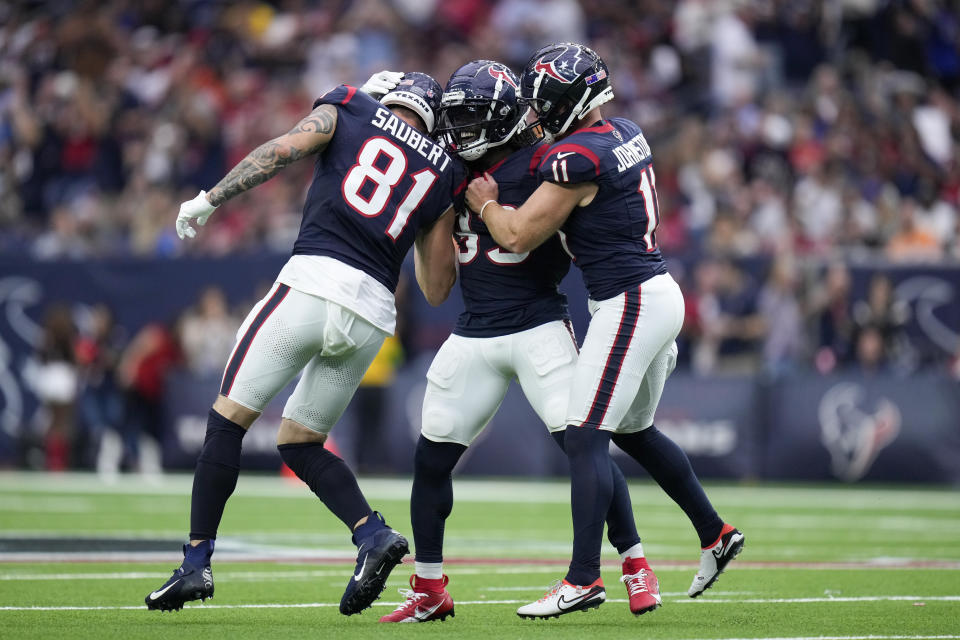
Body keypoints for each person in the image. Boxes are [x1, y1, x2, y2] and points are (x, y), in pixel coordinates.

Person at [144, 71, 461, 615]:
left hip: (313, 283)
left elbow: (283, 149)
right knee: (300, 441)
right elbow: (435, 290)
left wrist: (210, 198)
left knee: (226, 423)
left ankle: (196, 563)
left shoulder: (352, 105)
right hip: (371, 313)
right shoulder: (444, 171)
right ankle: (372, 535)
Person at [466, 43, 744, 619]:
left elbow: (517, 235)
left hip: (630, 301)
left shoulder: (575, 161)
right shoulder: (623, 131)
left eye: (546, 104)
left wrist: (488, 204)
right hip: (655, 293)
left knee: (585, 436)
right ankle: (715, 533)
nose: (539, 115)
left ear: (569, 102)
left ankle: (582, 578)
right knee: (635, 431)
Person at [379, 60, 661, 623]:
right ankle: (429, 590)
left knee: (585, 447)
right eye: (454, 120)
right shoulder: (450, 174)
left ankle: (634, 564)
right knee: (430, 459)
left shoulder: (547, 164)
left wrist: (481, 203)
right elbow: (436, 290)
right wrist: (432, 215)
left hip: (538, 324)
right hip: (475, 330)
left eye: (471, 119)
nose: (458, 132)